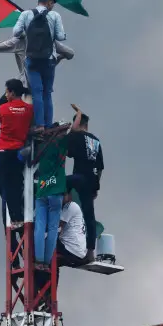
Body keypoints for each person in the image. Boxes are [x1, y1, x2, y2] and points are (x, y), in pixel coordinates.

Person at [9, 0, 67, 129]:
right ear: (49, 3)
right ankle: (47, 126)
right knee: (47, 93)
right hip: (49, 60)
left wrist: (27, 33)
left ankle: (39, 125)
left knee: (37, 93)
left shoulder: (26, 14)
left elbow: (15, 32)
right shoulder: (54, 15)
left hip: (32, 59)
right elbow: (60, 36)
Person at [65, 104, 105, 264]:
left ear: (77, 123)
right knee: (89, 216)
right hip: (91, 181)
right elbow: (100, 168)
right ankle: (90, 252)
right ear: (87, 125)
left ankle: (64, 200)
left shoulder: (76, 136)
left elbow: (66, 148)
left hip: (78, 178)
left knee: (59, 183)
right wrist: (96, 187)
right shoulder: (96, 141)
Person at [0, 78, 33, 229]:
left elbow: (1, 120)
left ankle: (16, 219)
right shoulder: (28, 109)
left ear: (11, 92)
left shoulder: (4, 108)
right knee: (17, 184)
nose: (6, 95)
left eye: (7, 92)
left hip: (5, 150)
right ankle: (21, 215)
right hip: (19, 150)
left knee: (8, 186)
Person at [32, 123, 70, 266]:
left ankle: (39, 259)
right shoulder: (62, 145)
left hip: (42, 190)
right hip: (56, 191)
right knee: (53, 228)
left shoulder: (42, 147)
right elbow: (74, 127)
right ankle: (47, 261)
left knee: (40, 226)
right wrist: (78, 113)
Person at [56, 190, 88, 267]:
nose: (60, 198)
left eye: (63, 195)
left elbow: (56, 225)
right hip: (77, 251)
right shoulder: (70, 207)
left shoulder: (70, 206)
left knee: (46, 241)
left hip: (72, 250)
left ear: (69, 195)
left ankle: (33, 263)